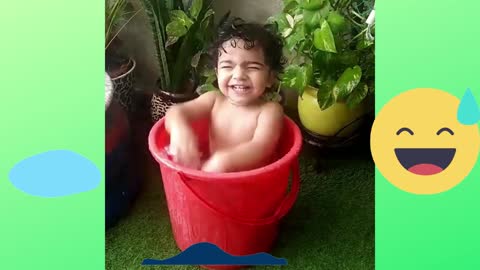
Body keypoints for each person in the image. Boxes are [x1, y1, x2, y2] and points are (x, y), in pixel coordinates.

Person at [164, 17, 286, 173]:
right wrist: (179, 130)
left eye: (253, 67)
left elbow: (261, 147)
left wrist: (224, 160)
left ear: (270, 78)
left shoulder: (269, 110)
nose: (239, 75)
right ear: (217, 73)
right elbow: (175, 112)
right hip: (214, 175)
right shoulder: (213, 100)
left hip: (251, 184)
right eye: (227, 66)